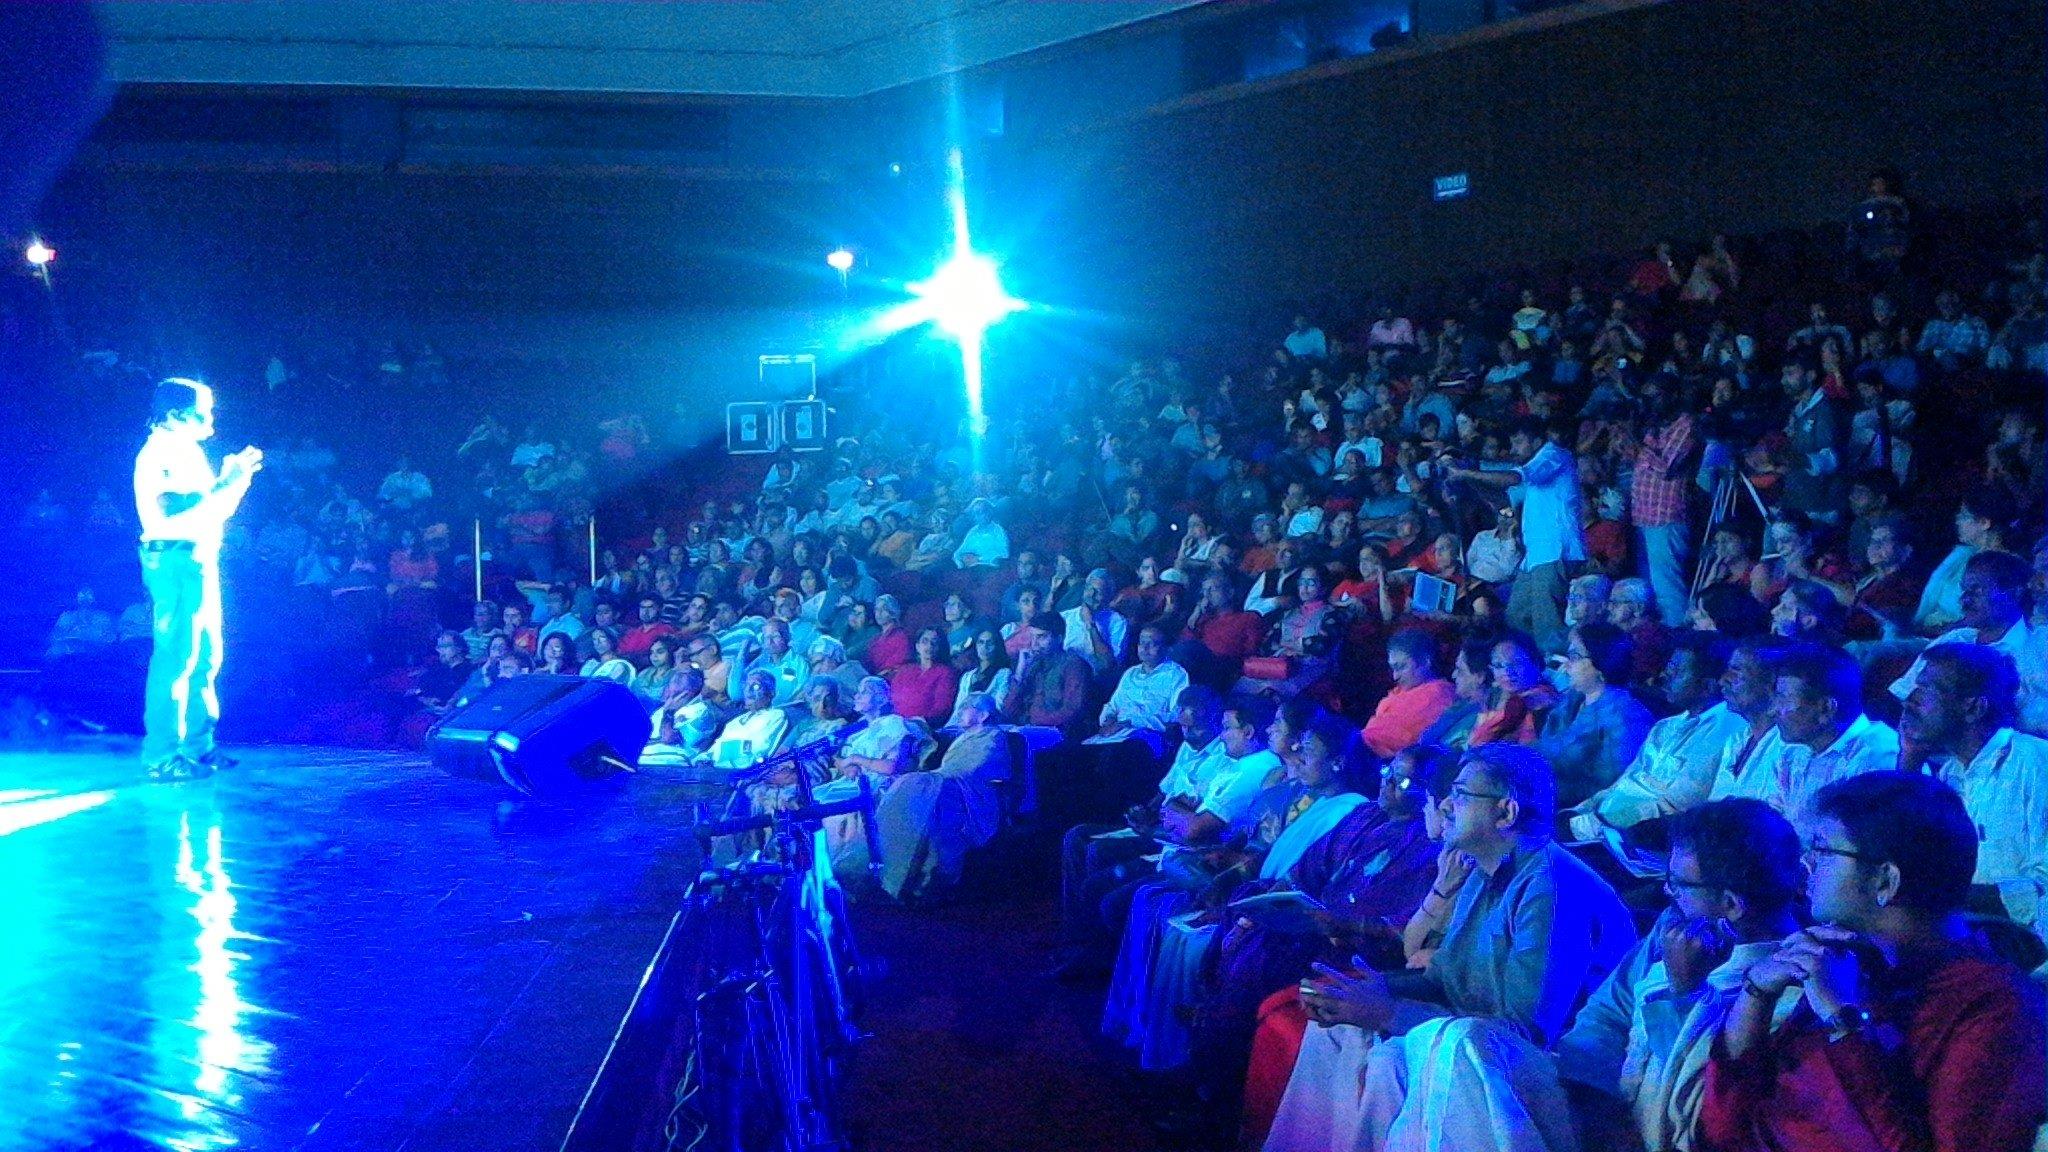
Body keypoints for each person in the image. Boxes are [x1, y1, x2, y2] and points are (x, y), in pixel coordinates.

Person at [1266, 744, 1634, 1151]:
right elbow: (1443, 976)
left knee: (1408, 1054)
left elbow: (1527, 1032)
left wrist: (1389, 1010)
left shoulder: (1552, 885)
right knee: (1340, 1025)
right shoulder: (1482, 870)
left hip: (1560, 1079)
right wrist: (1376, 991)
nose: (1446, 806)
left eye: (1460, 794)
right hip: (1482, 1041)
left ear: (1506, 812)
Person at [1699, 772, 2046, 1151]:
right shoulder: (1851, 959)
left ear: (1885, 880)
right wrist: (1756, 995)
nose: (1806, 868)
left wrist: (1845, 1021)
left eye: (1822, 851)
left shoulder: (1995, 1008)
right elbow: (1725, 1131)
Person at [1552, 799, 1807, 1151]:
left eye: (1678, 883)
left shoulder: (1789, 994)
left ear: (1731, 905)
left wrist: (1685, 994)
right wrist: (1590, 1100)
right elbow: (1606, 1015)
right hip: (1599, 1113)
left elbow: (1702, 1111)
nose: (1666, 892)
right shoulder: (1673, 929)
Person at [133, 378, 262, 780]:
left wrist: (235, 482)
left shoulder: (187, 451)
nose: (211, 417)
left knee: (205, 656)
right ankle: (160, 757)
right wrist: (227, 482)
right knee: (176, 658)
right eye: (203, 409)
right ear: (175, 414)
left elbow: (211, 510)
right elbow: (170, 509)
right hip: (174, 561)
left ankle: (198, 748)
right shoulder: (160, 452)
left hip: (197, 558)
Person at [1897, 643, 2048, 949]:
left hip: (2027, 951)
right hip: (1967, 942)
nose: (1910, 699)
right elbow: (1907, 856)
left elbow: (2043, 888)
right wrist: (1909, 759)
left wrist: (1945, 895)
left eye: (1927, 689)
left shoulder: (2035, 763)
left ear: (1973, 708)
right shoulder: (1947, 777)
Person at [1564, 635, 1747, 842]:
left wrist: (1588, 824)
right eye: (1668, 669)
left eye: (1676, 672)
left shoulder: (1725, 730)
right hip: (1600, 826)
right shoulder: (1666, 726)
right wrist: (1579, 812)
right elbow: (1625, 782)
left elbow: (1676, 806)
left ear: (1708, 685)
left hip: (1638, 840)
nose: (1664, 677)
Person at [1450, 419, 1587, 654]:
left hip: (1554, 552)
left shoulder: (1554, 456)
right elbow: (1501, 503)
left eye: (1519, 442)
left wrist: (1466, 472)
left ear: (1536, 440)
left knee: (1548, 624)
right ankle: (1534, 666)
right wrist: (1467, 480)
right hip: (1535, 556)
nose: (1514, 449)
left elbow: (1514, 478)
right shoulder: (1536, 470)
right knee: (1515, 617)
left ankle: (1556, 677)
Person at [873, 691, 1012, 903]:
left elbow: (976, 769)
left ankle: (923, 881)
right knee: (907, 787)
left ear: (983, 715)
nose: (961, 711)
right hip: (947, 785)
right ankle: (894, 874)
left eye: (967, 707)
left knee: (925, 791)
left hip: (971, 795)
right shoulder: (962, 738)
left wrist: (937, 778)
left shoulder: (993, 736)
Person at [1890, 551, 2047, 735]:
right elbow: (1904, 695)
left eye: (1977, 590)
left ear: (2014, 593)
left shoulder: (2041, 646)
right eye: (1964, 590)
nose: (1964, 600)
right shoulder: (1953, 641)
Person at [1361, 629, 1456, 759]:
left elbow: (1387, 738)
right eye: (1393, 668)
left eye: (1401, 667)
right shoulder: (1404, 690)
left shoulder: (1436, 695)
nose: (1395, 677)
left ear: (1425, 662)